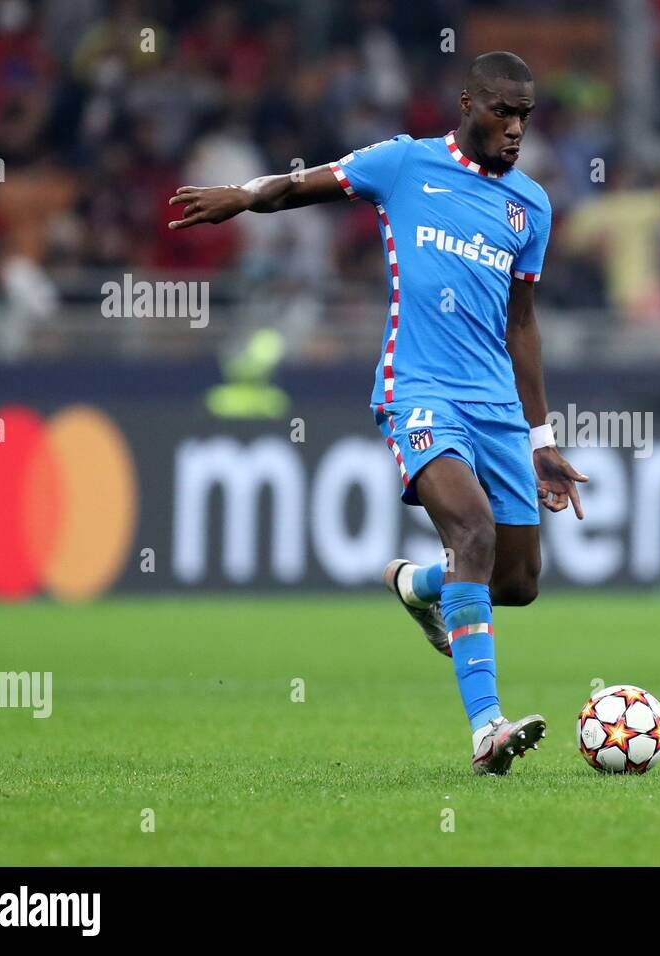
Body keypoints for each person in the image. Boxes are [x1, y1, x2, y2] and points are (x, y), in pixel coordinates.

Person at [167, 51, 587, 775]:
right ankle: (487, 728)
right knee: (473, 532)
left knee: (516, 583)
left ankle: (419, 586)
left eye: (525, 115)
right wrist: (243, 194)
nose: (516, 128)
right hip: (417, 389)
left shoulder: (531, 206)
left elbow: (522, 324)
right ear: (467, 102)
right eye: (502, 111)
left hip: (496, 407)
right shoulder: (403, 164)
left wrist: (542, 436)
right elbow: (305, 183)